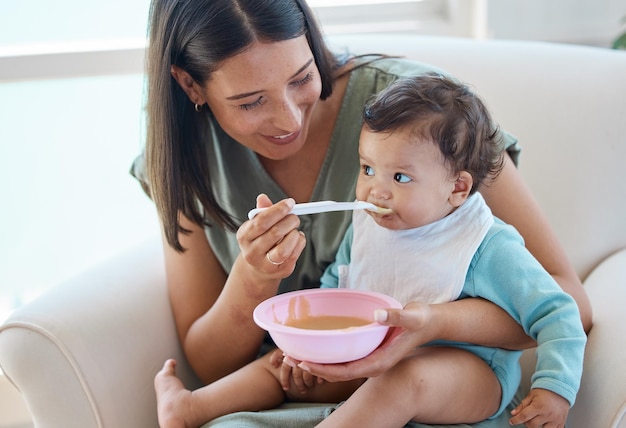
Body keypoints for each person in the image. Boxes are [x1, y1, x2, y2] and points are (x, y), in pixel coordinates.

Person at [131, 0, 592, 426]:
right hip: (327, 387)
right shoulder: (183, 157)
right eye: (252, 101)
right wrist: (254, 278)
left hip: (445, 382)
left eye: (301, 78)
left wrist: (432, 324)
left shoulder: (427, 123)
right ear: (190, 83)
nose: (291, 120)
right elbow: (214, 362)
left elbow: (566, 303)